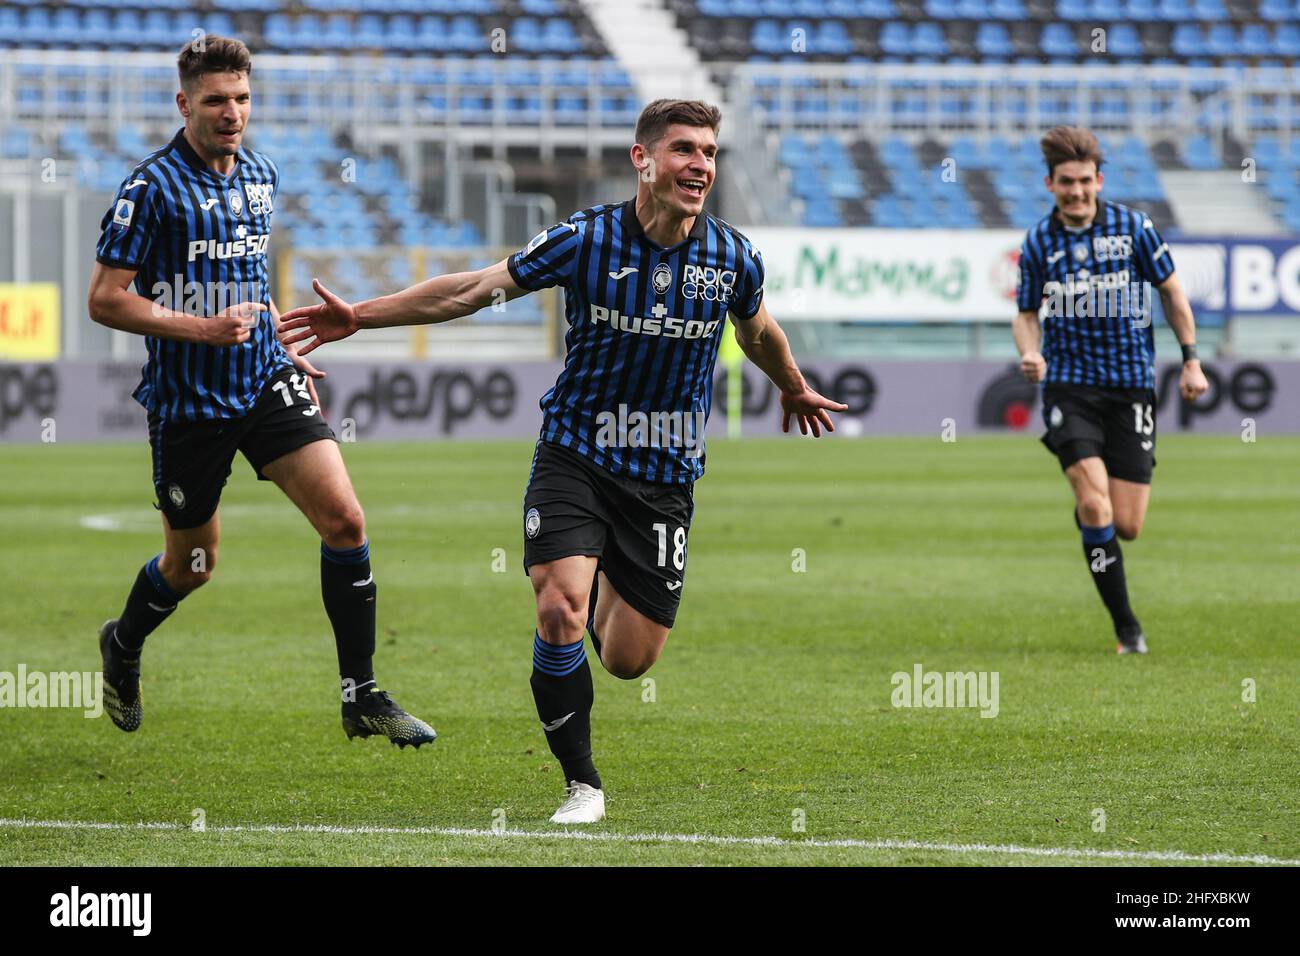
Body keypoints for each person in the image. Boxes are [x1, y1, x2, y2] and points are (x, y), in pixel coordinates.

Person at [279, 99, 847, 821]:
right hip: (576, 455)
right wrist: (362, 314)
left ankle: (602, 566)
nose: (699, 165)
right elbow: (471, 289)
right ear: (642, 160)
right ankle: (584, 784)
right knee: (557, 611)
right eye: (683, 150)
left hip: (664, 480)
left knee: (628, 659)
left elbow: (758, 329)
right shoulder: (586, 240)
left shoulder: (733, 257)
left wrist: (793, 386)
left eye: (708, 152)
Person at [88, 36, 435, 746]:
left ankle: (361, 694)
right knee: (193, 566)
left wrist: (272, 338)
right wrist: (202, 329)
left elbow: (245, 286)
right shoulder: (150, 189)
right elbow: (105, 299)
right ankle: (123, 643)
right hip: (190, 404)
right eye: (216, 100)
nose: (232, 113)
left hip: (264, 383)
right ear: (184, 103)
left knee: (345, 521)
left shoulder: (262, 175)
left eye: (242, 99)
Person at [1012, 126, 1209, 654]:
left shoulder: (1134, 228)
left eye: (1083, 181)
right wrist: (1029, 352)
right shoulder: (1037, 242)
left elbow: (1171, 292)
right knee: (1096, 506)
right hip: (1069, 390)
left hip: (1131, 389)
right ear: (1049, 184)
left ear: (1097, 180)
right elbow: (1026, 314)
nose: (1076, 191)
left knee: (1127, 525)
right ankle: (1128, 631)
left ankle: (1091, 512)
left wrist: (1191, 361)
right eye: (1065, 183)